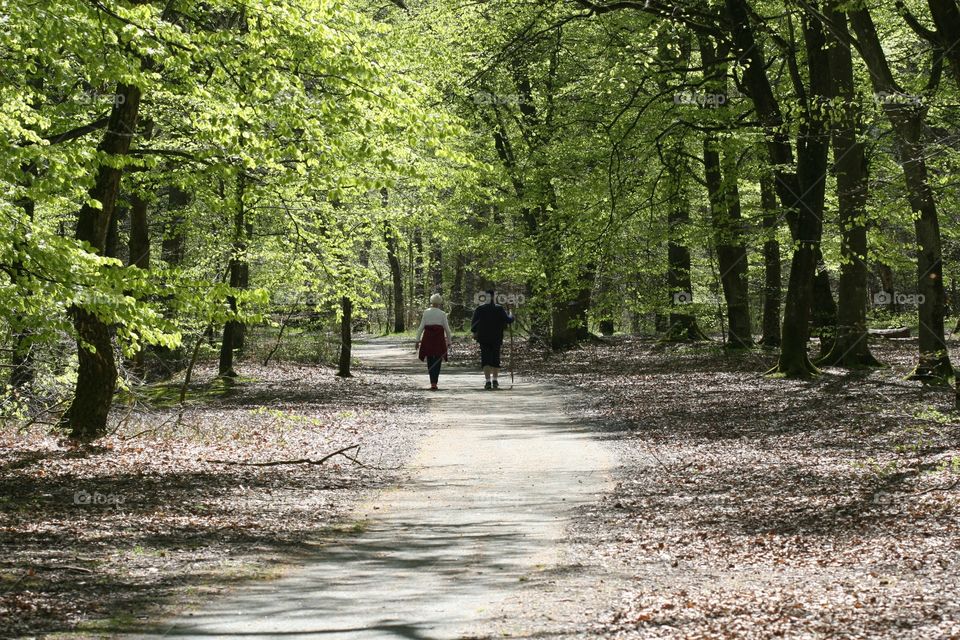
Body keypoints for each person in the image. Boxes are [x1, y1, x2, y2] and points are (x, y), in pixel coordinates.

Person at [470, 289, 514, 390]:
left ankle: (488, 382)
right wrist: (511, 313)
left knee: (485, 359)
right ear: (494, 297)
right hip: (496, 337)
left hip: (483, 338)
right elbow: (509, 320)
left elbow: (473, 325)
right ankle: (495, 380)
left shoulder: (479, 309)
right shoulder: (499, 309)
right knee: (495, 358)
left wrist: (475, 332)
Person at [415, 293, 453, 390]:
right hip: (438, 339)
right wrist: (449, 342)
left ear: (431, 301)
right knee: (437, 360)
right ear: (439, 303)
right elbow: (447, 329)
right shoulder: (442, 314)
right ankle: (435, 382)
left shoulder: (426, 312)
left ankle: (432, 382)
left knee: (430, 359)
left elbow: (421, 327)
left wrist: (417, 340)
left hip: (428, 338)